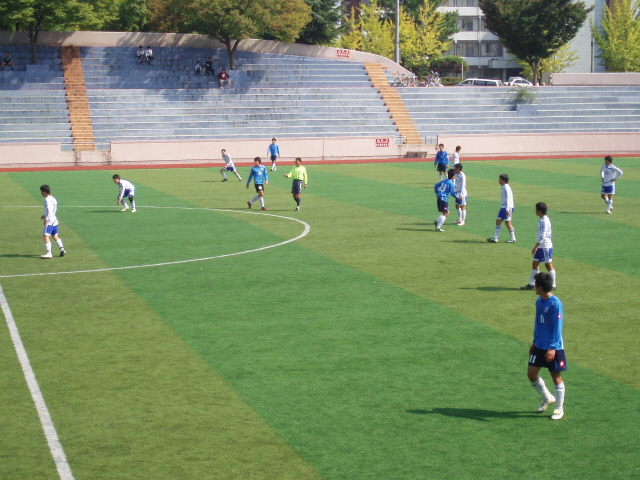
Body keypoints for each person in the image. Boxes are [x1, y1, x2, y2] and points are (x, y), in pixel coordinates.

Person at [527, 272, 567, 420]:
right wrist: (534, 341)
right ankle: (547, 397)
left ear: (540, 287)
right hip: (539, 344)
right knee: (531, 374)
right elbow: (538, 324)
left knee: (555, 376)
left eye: (535, 284)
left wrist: (552, 347)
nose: (534, 286)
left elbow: (557, 327)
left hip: (553, 347)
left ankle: (559, 408)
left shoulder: (555, 304)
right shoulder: (539, 301)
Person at [521, 202, 556, 291]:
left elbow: (542, 235)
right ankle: (532, 284)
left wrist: (536, 246)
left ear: (539, 211)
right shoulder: (543, 219)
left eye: (536, 209)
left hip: (545, 247)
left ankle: (553, 284)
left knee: (548, 265)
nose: (535, 211)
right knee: (535, 263)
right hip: (541, 246)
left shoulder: (544, 221)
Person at [487, 174, 516, 243]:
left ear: (503, 180)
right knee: (498, 221)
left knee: (508, 223)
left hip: (507, 208)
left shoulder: (506, 187)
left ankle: (513, 238)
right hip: (503, 207)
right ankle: (495, 238)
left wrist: (507, 209)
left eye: (500, 179)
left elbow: (509, 198)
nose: (498, 180)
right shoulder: (504, 187)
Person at [39, 185, 66, 259]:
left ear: (44, 192)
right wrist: (45, 215)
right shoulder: (53, 198)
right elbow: (53, 209)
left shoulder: (47, 200)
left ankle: (49, 253)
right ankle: (62, 249)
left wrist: (46, 219)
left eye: (41, 191)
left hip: (50, 221)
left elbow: (49, 210)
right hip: (54, 219)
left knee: (45, 237)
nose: (41, 193)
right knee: (54, 235)